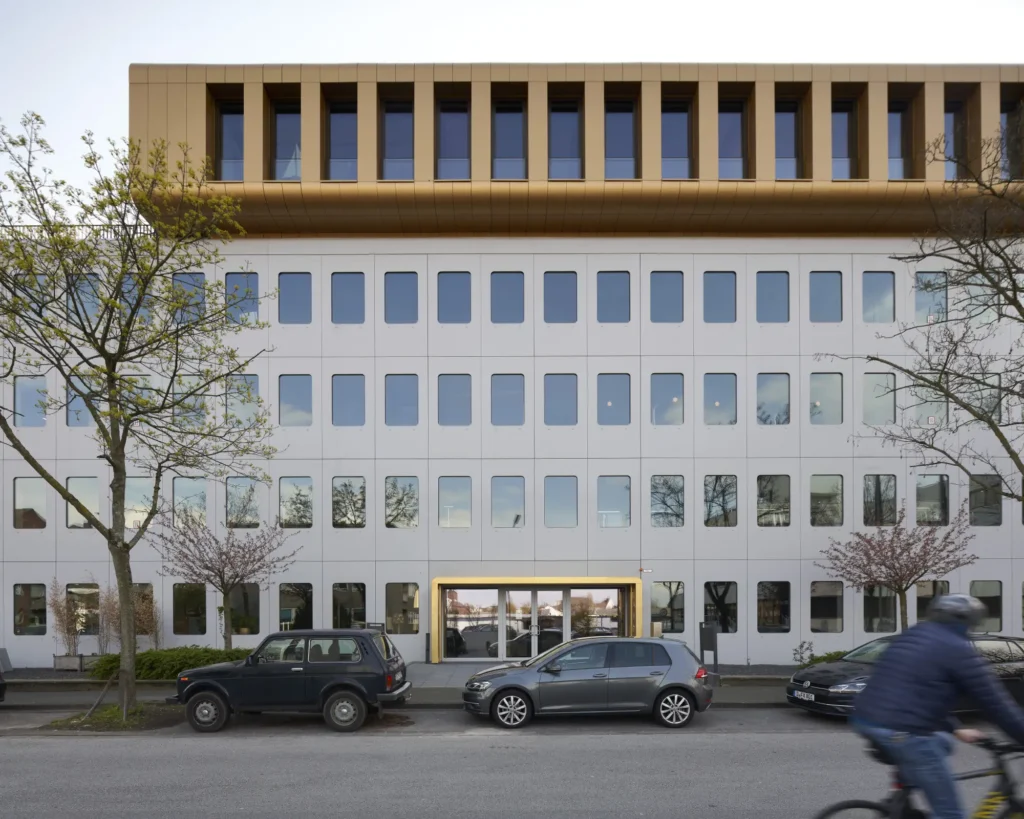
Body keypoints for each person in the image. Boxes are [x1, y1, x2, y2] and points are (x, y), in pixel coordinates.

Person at [851, 594, 1024, 819]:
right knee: (950, 813)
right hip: (903, 731)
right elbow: (995, 703)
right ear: (969, 621)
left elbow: (918, 693)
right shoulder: (958, 649)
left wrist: (954, 728)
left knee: (942, 741)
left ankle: (903, 799)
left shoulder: (912, 635)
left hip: (865, 718)